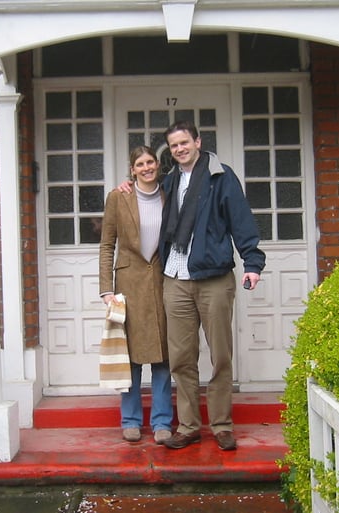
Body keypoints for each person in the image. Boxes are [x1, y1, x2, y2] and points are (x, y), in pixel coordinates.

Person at [119, 120, 265, 451]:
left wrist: (252, 263)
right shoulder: (168, 181)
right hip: (175, 280)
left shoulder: (220, 176)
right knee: (181, 359)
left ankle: (222, 424)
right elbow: (143, 194)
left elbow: (241, 220)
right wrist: (125, 186)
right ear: (169, 151)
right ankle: (188, 425)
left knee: (220, 356)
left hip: (213, 278)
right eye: (173, 146)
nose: (180, 149)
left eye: (184, 142)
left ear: (197, 141)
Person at [99, 146, 173, 444]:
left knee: (162, 357)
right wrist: (106, 289)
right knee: (128, 355)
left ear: (158, 165)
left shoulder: (169, 192)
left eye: (150, 162)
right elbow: (107, 244)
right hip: (127, 283)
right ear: (132, 169)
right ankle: (130, 420)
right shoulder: (118, 197)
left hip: (162, 280)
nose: (146, 168)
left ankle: (161, 422)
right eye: (140, 164)